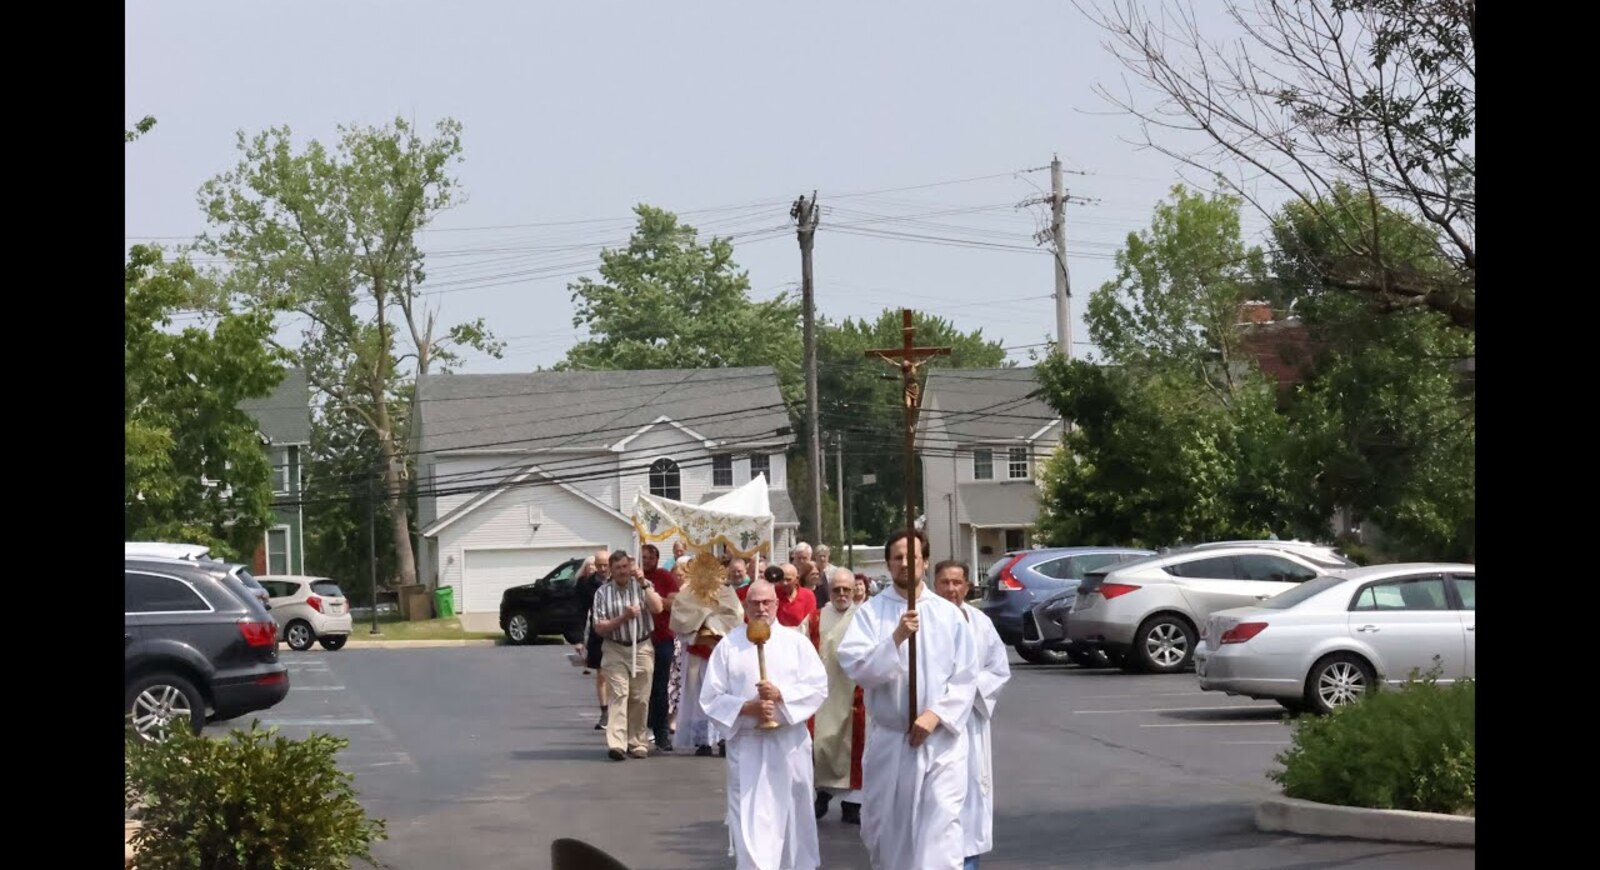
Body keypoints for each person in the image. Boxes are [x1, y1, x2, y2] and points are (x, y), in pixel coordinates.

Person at [836, 530, 979, 870]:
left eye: (912, 557)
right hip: (892, 739)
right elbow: (858, 668)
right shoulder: (871, 614)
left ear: (925, 562)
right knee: (890, 832)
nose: (905, 563)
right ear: (888, 564)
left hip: (940, 741)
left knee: (940, 831)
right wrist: (897, 637)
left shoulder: (948, 614)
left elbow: (966, 675)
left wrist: (936, 715)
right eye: (897, 557)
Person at [700, 579, 829, 870]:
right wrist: (748, 708)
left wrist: (782, 696)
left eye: (767, 602)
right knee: (751, 825)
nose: (761, 608)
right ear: (745, 607)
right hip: (748, 747)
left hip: (788, 745)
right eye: (755, 603)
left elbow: (818, 687)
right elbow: (710, 697)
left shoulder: (796, 643)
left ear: (777, 603)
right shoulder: (729, 646)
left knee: (794, 820)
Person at [933, 560, 1012, 870]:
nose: (951, 589)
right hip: (935, 724)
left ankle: (968, 863)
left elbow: (999, 668)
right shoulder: (924, 621)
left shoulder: (980, 622)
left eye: (957, 582)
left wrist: (967, 689)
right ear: (934, 584)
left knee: (970, 800)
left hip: (969, 723)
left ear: (967, 586)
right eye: (945, 582)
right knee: (937, 804)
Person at [806, 566, 867, 825]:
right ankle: (823, 793)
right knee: (823, 747)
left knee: (857, 750)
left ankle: (852, 804)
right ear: (828, 591)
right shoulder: (815, 619)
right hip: (826, 695)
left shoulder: (866, 617)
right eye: (837, 589)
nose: (842, 594)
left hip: (857, 695)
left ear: (854, 591)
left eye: (846, 590)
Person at [670, 549, 745, 757]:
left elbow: (735, 616)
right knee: (698, 698)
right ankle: (701, 740)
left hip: (719, 652)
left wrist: (714, 624)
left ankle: (722, 738)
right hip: (697, 652)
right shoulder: (688, 592)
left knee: (722, 694)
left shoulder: (725, 590)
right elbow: (680, 617)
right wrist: (701, 622)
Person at [590, 550, 664, 760]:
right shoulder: (603, 593)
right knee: (619, 694)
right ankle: (617, 743)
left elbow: (658, 608)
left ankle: (637, 741)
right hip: (614, 648)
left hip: (641, 646)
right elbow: (599, 627)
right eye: (618, 568)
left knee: (640, 697)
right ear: (611, 571)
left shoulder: (641, 586)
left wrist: (643, 582)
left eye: (625, 567)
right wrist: (624, 617)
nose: (622, 572)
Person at [640, 544, 681, 752]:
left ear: (656, 558)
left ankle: (661, 732)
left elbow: (673, 603)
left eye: (649, 557)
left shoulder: (665, 577)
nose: (645, 560)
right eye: (643, 557)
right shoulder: (633, 578)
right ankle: (639, 731)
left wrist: (653, 597)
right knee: (640, 688)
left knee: (660, 688)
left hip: (662, 638)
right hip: (640, 640)